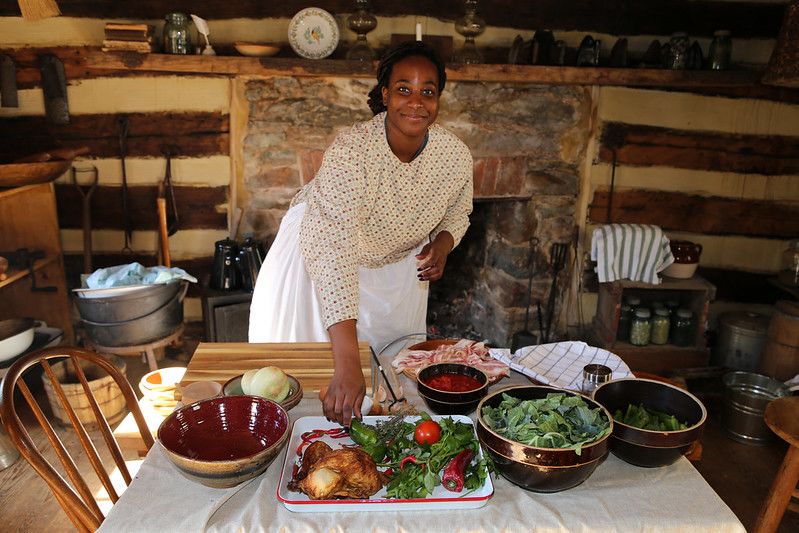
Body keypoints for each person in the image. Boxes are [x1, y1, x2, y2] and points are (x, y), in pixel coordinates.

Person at [248, 41, 473, 426]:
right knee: (312, 379)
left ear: (439, 99)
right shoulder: (352, 151)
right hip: (320, 256)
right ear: (385, 94)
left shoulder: (455, 157)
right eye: (403, 89)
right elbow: (334, 249)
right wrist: (347, 362)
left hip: (397, 263)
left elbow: (459, 209)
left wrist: (443, 243)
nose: (415, 102)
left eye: (427, 91)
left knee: (390, 378)